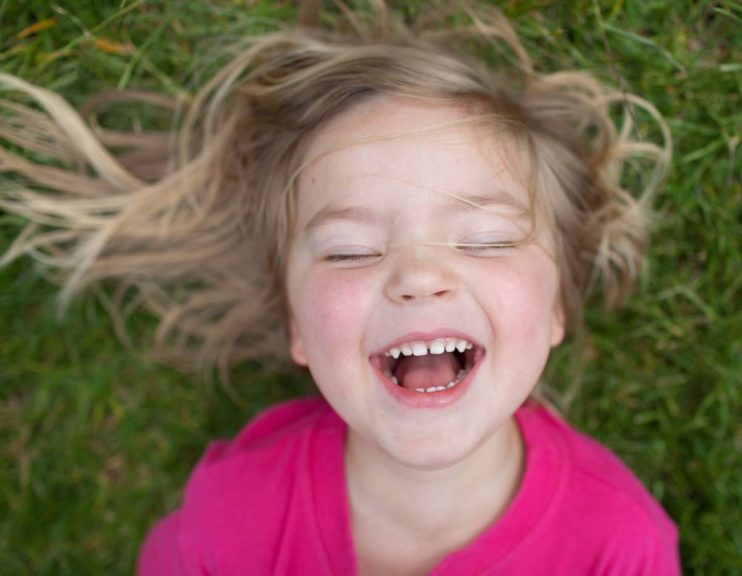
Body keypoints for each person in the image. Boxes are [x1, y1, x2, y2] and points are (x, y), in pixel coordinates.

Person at [0, 2, 677, 574]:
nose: (419, 277)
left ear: (557, 305)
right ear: (297, 325)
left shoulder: (620, 549)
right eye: (351, 250)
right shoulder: (233, 515)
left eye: (487, 239)